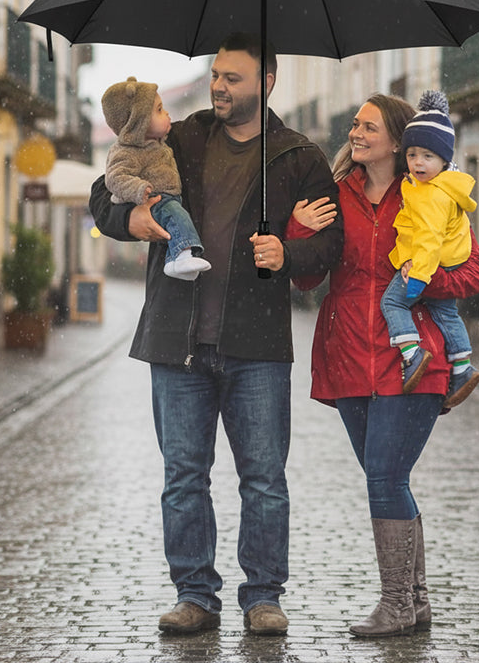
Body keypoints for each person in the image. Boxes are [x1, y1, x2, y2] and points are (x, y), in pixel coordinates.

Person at [89, 32, 343, 636]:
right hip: (176, 340)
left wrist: (289, 250)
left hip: (257, 346)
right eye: (217, 75)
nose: (220, 86)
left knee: (263, 478)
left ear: (267, 82)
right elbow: (105, 195)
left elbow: (330, 247)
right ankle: (195, 595)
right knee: (183, 476)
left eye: (233, 77)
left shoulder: (298, 155)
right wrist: (135, 219)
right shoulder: (182, 137)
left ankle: (263, 596)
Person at [290, 93, 479, 637]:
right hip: (348, 352)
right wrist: (300, 231)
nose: (355, 132)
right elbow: (306, 280)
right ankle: (416, 601)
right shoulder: (333, 195)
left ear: (399, 142)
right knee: (386, 477)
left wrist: (421, 286)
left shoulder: (430, 195)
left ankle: (397, 604)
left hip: (415, 357)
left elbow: (475, 270)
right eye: (353, 123)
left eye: (367, 125)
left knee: (384, 475)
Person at [380, 90, 479, 406]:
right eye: (412, 155)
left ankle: (411, 353)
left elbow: (428, 239)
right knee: (446, 312)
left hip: (429, 265)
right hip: (449, 262)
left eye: (427, 156)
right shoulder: (440, 188)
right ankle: (463, 366)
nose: (418, 163)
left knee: (393, 303)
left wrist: (419, 278)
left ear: (444, 160)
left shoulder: (432, 196)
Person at [101, 77, 210, 281]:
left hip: (167, 197)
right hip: (156, 199)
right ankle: (183, 254)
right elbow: (113, 178)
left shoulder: (159, 143)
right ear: (138, 124)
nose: (167, 113)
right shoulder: (128, 151)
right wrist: (138, 190)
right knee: (177, 216)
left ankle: (174, 260)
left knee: (177, 218)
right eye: (159, 110)